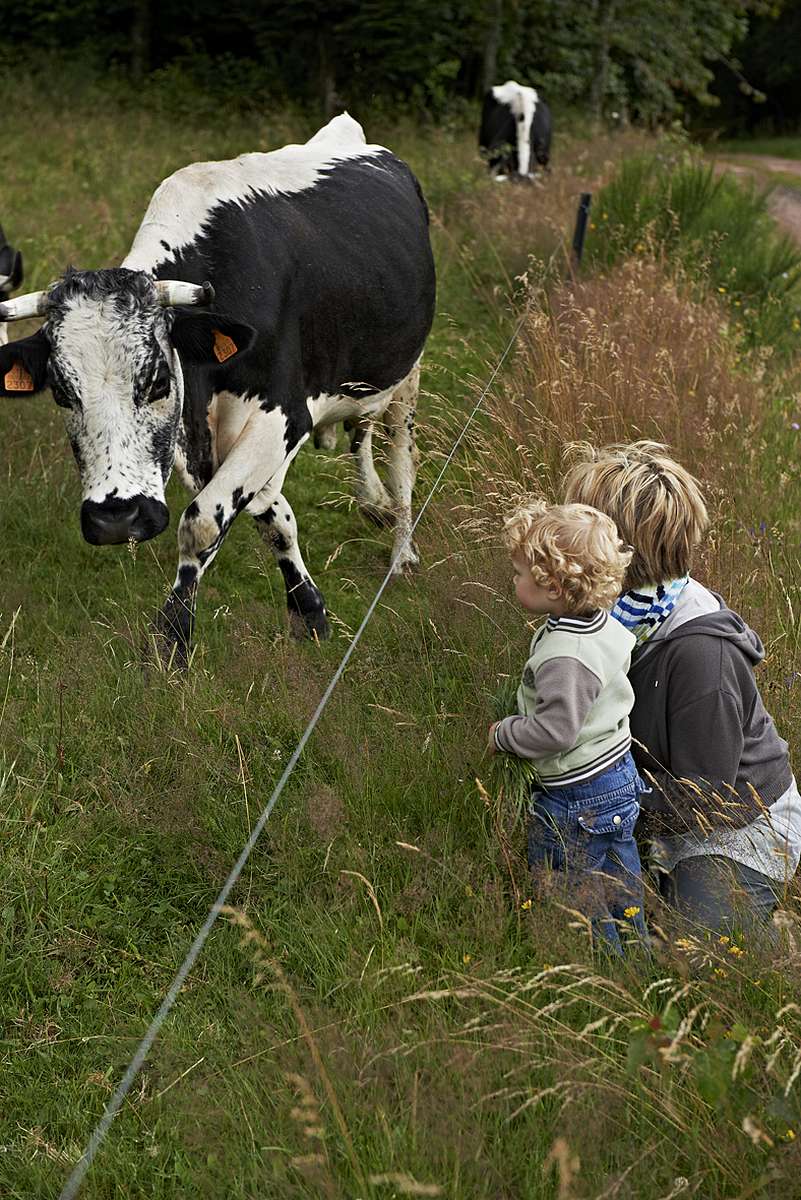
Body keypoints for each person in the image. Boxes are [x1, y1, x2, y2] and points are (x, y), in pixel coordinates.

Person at [563, 441, 801, 937]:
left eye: (582, 535)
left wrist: (604, 800)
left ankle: (771, 932)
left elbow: (707, 797)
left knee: (690, 947)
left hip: (735, 827)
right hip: (655, 797)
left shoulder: (701, 657)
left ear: (623, 552)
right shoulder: (619, 611)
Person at [488, 500, 649, 955]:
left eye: (520, 574)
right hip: (616, 775)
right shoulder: (599, 626)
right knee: (619, 878)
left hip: (577, 794)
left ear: (554, 588)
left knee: (575, 888)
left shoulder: (565, 656)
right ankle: (637, 961)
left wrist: (505, 733)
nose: (514, 581)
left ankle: (601, 971)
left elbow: (556, 731)